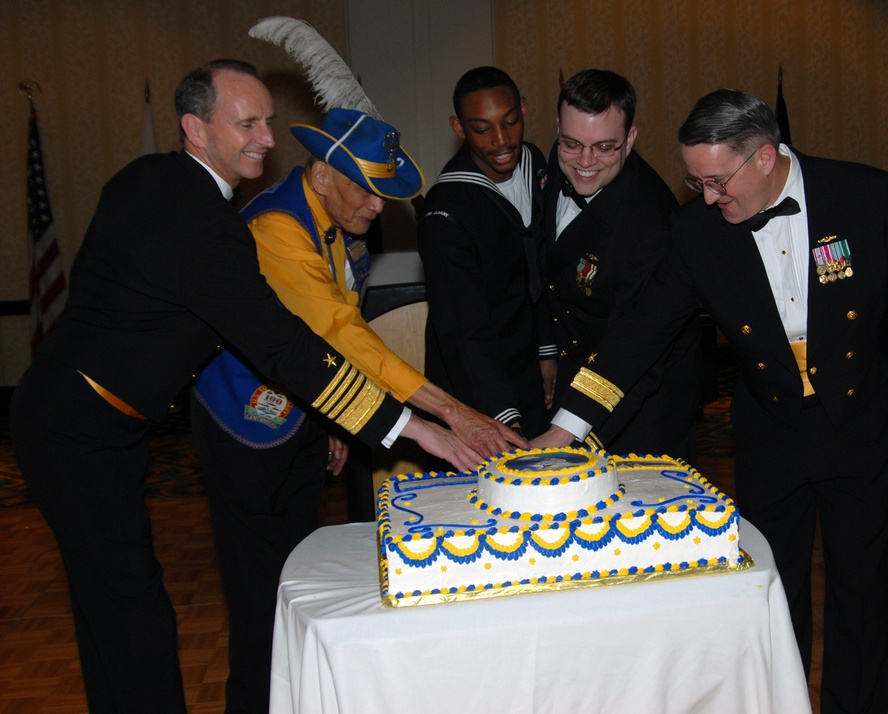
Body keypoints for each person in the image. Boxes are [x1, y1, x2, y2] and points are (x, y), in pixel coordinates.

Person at [7, 59, 521, 714]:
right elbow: (288, 346)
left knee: (108, 606)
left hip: (85, 416)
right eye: (246, 123)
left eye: (268, 122)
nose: (266, 138)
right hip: (80, 426)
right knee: (136, 614)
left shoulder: (152, 181)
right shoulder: (204, 222)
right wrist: (417, 427)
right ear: (195, 128)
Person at [537, 87, 888, 713]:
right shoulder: (696, 232)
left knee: (861, 592)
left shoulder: (866, 196)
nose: (706, 197)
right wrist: (567, 429)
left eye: (715, 181)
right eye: (695, 182)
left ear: (765, 157)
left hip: (859, 425)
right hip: (771, 433)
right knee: (772, 592)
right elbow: (638, 335)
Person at [191, 106, 527, 713]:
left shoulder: (337, 218)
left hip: (305, 411)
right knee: (258, 592)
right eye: (367, 192)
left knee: (294, 577)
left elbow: (323, 339)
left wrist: (330, 419)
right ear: (322, 174)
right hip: (246, 422)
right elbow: (344, 334)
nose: (377, 209)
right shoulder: (276, 229)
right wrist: (452, 413)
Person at [540, 68, 702, 460]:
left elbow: (633, 345)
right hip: (574, 367)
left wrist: (571, 431)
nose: (585, 161)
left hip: (641, 394)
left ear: (630, 139)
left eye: (604, 147)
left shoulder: (651, 224)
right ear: (558, 129)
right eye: (571, 143)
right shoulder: (560, 160)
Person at [419, 66, 551, 438]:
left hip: (529, 359)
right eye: (482, 129)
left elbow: (544, 268)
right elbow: (464, 328)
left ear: (523, 109)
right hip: (475, 377)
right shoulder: (447, 210)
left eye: (510, 122)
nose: (501, 140)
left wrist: (547, 350)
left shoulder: (536, 164)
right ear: (459, 128)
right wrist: (499, 413)